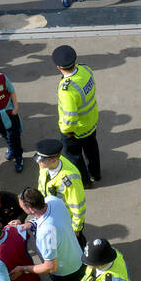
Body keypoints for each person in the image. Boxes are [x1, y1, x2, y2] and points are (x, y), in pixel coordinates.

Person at [17, 186, 84, 281]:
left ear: (31, 209)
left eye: (22, 207)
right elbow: (46, 216)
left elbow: (50, 266)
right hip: (76, 254)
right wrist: (30, 224)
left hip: (65, 270)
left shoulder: (46, 232)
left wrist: (24, 269)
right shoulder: (53, 200)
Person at [52, 44, 101, 184]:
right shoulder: (85, 69)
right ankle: (95, 174)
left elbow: (70, 116)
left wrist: (66, 131)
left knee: (74, 156)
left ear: (58, 67)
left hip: (76, 131)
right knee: (92, 150)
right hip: (91, 122)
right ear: (75, 61)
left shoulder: (66, 90)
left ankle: (84, 182)